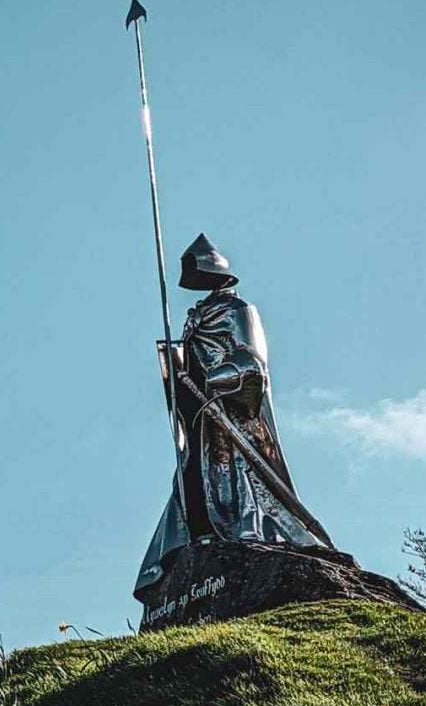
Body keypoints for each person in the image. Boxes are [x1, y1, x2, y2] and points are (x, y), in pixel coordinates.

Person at [135, 233, 328, 597]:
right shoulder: (196, 320)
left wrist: (218, 380)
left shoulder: (238, 312)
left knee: (236, 481)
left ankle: (248, 530)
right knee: (194, 477)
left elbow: (252, 363)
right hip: (199, 417)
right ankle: (197, 537)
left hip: (231, 414)